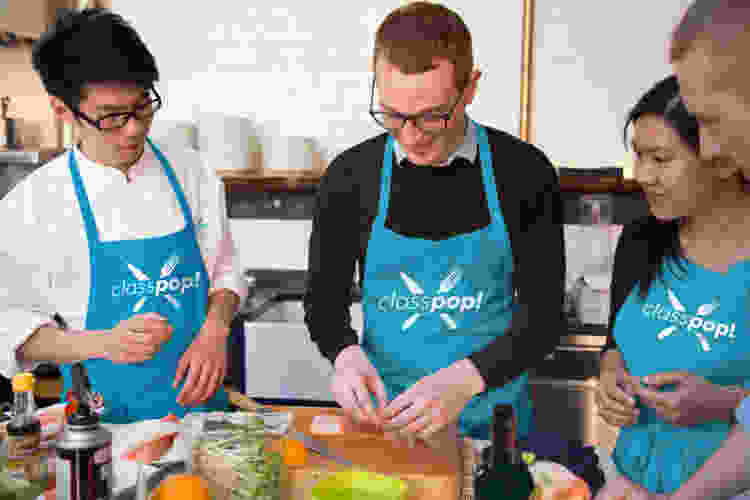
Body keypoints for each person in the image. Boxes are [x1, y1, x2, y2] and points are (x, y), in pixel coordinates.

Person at [304, 1, 565, 444]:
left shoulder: (523, 173)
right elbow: (324, 305)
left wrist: (465, 380)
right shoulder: (351, 177)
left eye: (431, 115)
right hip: (388, 426)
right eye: (393, 114)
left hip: (493, 431)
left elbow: (542, 319)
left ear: (470, 88)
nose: (410, 135)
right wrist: (345, 354)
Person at [0, 8, 246, 423]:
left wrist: (216, 329)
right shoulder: (31, 206)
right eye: (112, 117)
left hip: (204, 420)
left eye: (142, 107)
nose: (133, 130)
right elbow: (13, 333)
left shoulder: (192, 173)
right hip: (101, 431)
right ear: (62, 110)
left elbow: (224, 270)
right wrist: (101, 344)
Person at [594, 75, 750, 500]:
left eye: (660, 159)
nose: (642, 175)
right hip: (629, 483)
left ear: (726, 161)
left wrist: (724, 402)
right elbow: (616, 344)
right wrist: (611, 377)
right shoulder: (642, 237)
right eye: (638, 156)